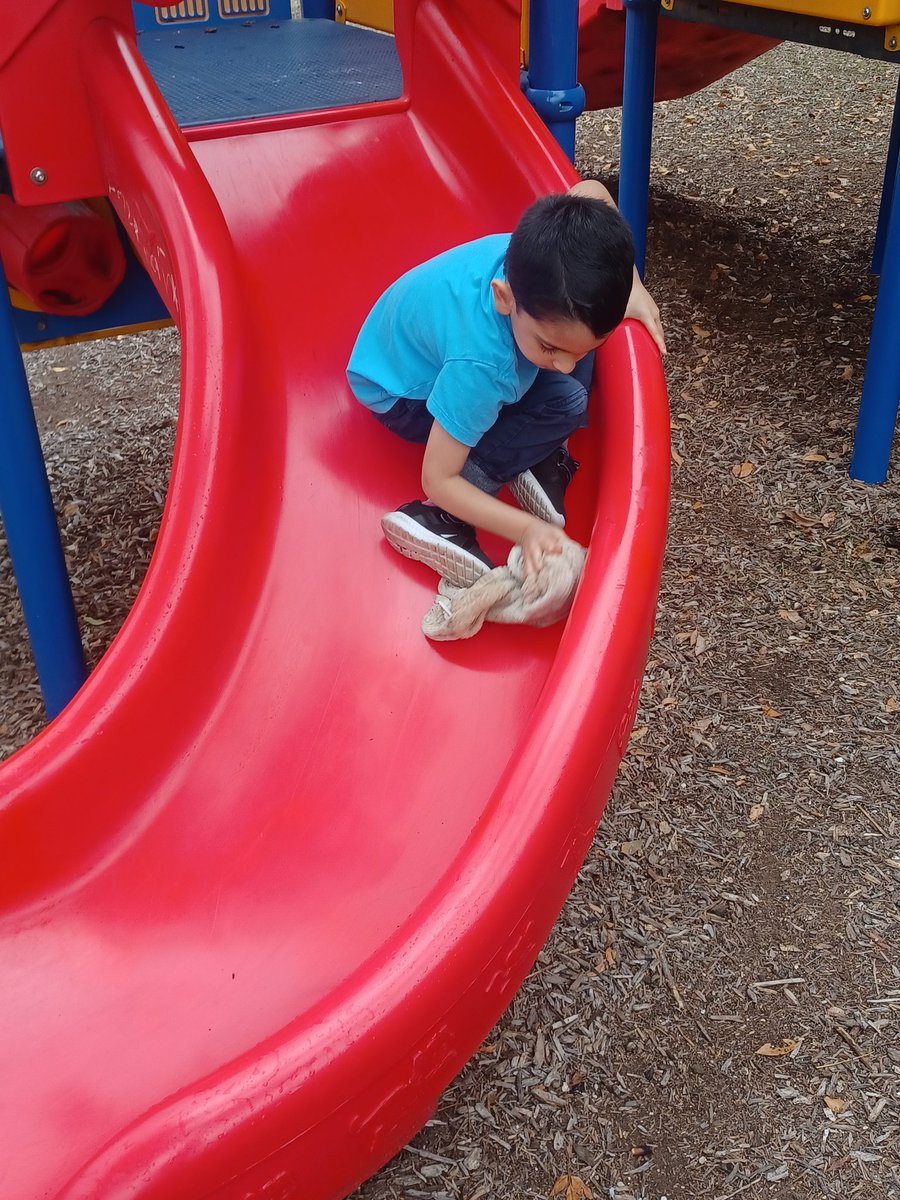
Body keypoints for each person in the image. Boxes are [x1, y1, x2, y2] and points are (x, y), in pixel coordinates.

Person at [347, 180, 665, 587]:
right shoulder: (483, 366)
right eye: (551, 347)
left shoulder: (547, 263)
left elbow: (593, 190)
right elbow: (438, 477)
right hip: (402, 395)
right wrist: (525, 529)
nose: (566, 365)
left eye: (584, 349)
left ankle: (536, 449)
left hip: (412, 348)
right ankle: (439, 518)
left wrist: (633, 289)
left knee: (566, 379)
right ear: (503, 297)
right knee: (566, 400)